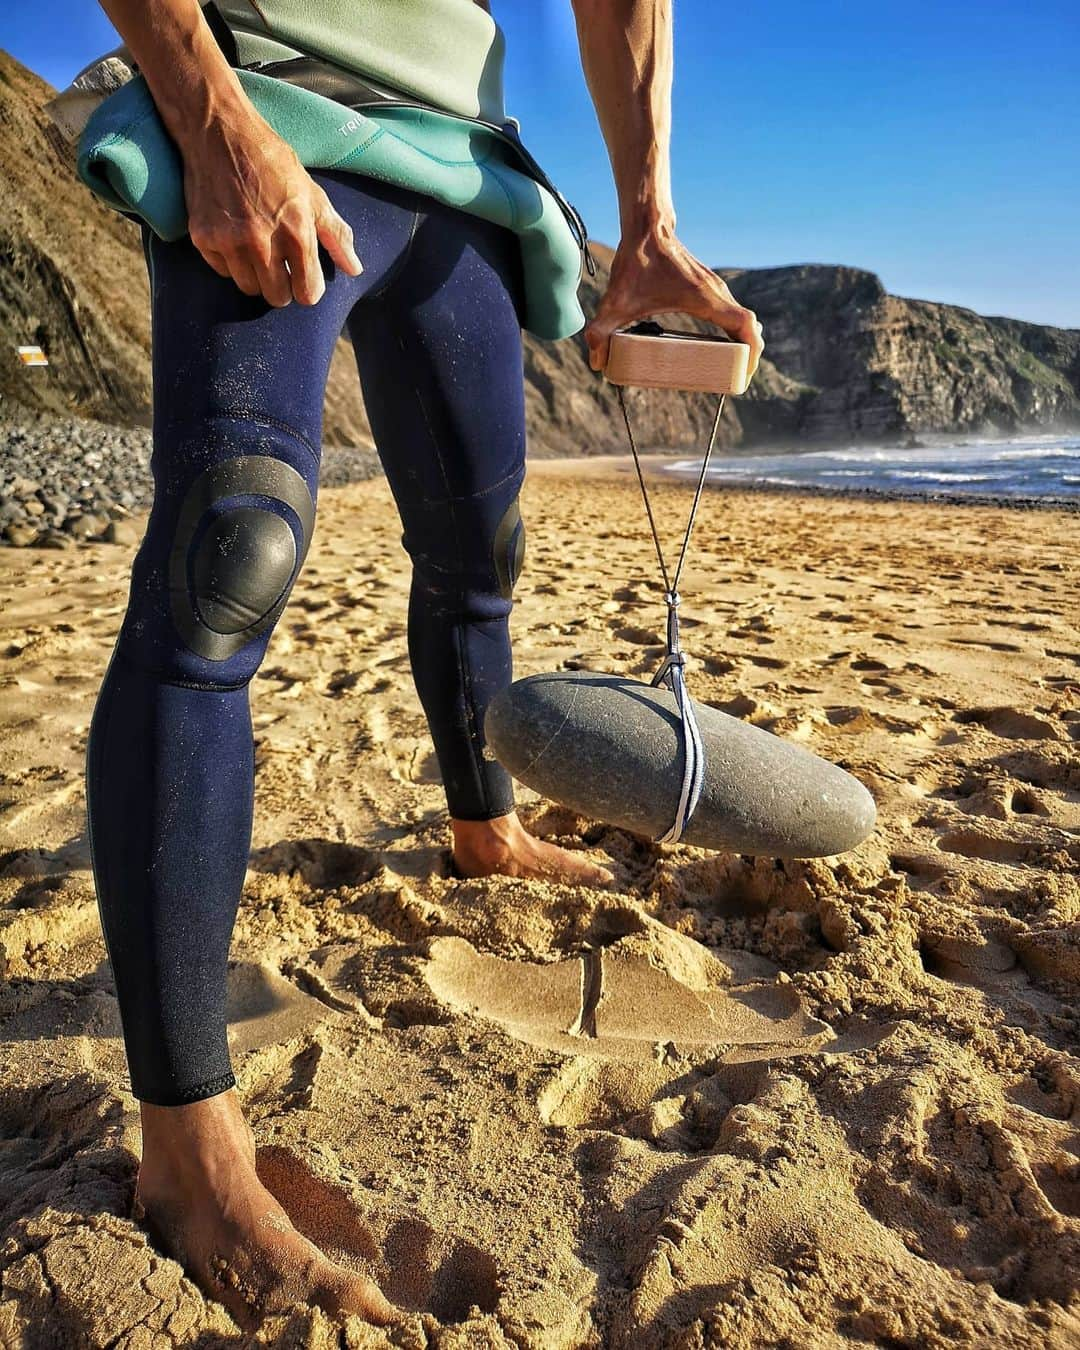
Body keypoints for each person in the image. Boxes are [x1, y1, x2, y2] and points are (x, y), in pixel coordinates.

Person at [83, 0, 765, 1328]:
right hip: (266, 105)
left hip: (457, 163)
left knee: (480, 555)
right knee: (230, 559)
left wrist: (649, 219)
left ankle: (481, 830)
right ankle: (187, 1149)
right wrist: (208, 109)